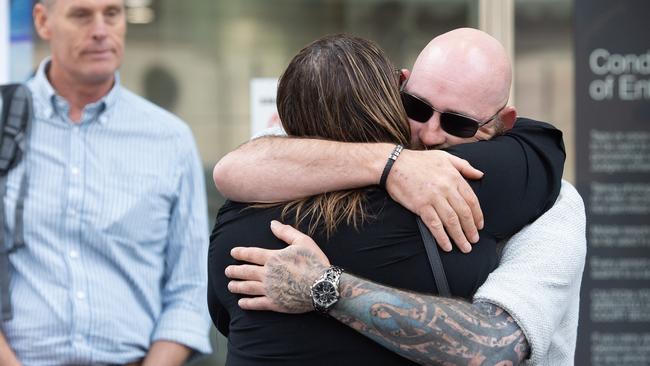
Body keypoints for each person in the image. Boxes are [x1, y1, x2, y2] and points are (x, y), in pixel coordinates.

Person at [218, 28, 586, 365]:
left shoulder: (553, 207)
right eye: (417, 109)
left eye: (458, 124)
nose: (429, 134)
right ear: (401, 86)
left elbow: (495, 346)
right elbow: (233, 168)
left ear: (501, 124)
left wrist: (324, 285)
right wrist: (390, 162)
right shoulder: (319, 166)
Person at [0, 1, 211, 365]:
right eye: (81, 15)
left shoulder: (169, 139)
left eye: (112, 13)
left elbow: (190, 289)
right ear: (42, 21)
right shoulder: (6, 121)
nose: (100, 30)